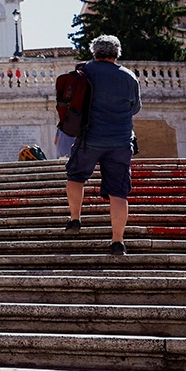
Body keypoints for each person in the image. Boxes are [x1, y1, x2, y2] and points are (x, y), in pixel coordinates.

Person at [64, 35, 141, 257]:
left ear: (95, 52)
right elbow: (135, 108)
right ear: (117, 53)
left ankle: (75, 219)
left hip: (90, 137)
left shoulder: (84, 70)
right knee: (119, 192)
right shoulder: (129, 77)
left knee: (75, 176)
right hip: (121, 141)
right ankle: (118, 242)